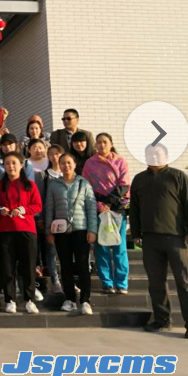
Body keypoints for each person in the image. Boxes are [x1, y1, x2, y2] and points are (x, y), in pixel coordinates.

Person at [130, 143, 188, 338]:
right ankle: (162, 320)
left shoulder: (177, 176)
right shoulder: (139, 179)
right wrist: (136, 233)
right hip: (150, 239)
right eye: (149, 153)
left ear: (166, 155)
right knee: (156, 283)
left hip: (177, 238)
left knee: (185, 282)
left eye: (157, 153)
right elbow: (134, 208)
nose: (154, 156)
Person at [44, 153, 98, 315]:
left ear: (74, 164)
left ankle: (85, 300)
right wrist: (48, 230)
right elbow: (49, 208)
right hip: (61, 232)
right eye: (62, 163)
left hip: (81, 230)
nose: (65, 166)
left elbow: (91, 208)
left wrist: (92, 230)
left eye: (68, 162)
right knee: (65, 265)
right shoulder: (54, 185)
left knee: (82, 265)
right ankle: (69, 299)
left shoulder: (84, 183)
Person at [0, 152, 43, 314]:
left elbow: (38, 205)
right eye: (7, 163)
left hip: (27, 230)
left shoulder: (30, 185)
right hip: (5, 230)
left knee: (28, 267)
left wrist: (23, 209)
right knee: (7, 268)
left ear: (21, 165)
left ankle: (29, 300)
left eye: (14, 163)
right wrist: (0, 210)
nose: (11, 166)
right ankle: (10, 300)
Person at [82, 133, 130, 294]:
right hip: (98, 209)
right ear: (95, 145)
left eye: (105, 142)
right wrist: (100, 204)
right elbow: (87, 187)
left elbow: (124, 185)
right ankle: (107, 283)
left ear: (111, 143)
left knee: (119, 247)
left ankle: (121, 283)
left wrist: (109, 203)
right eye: (99, 142)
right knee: (101, 247)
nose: (102, 145)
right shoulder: (90, 164)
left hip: (117, 209)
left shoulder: (120, 161)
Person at [34, 144, 64, 294]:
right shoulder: (43, 175)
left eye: (57, 153)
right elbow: (39, 197)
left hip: (67, 219)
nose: (54, 156)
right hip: (50, 218)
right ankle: (55, 280)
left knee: (65, 252)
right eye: (51, 154)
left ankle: (67, 280)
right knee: (51, 252)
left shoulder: (69, 174)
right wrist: (40, 217)